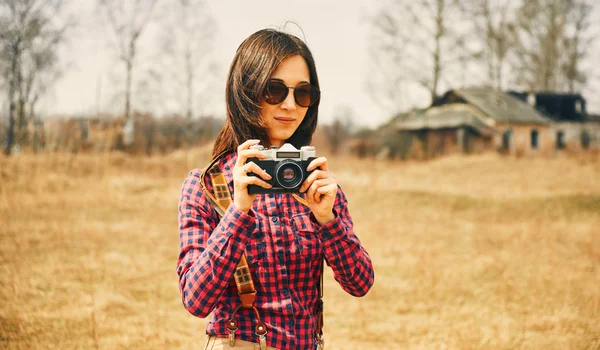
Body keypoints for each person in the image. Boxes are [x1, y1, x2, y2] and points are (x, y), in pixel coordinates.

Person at [176, 28, 374, 350]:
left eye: (303, 93)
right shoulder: (208, 186)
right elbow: (196, 300)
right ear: (247, 90)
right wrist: (238, 211)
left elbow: (360, 283)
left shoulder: (314, 183)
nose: (290, 105)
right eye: (275, 90)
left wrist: (328, 220)